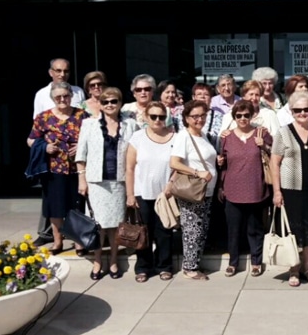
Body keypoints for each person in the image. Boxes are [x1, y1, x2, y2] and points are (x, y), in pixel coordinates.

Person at [76, 87, 139, 280]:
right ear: (100, 105)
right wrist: (82, 179)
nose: (110, 105)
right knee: (98, 225)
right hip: (96, 182)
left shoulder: (130, 124)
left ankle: (112, 260)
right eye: (106, 102)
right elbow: (81, 154)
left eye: (114, 101)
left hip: (119, 181)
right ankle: (97, 260)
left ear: (120, 103)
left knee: (115, 226)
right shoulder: (89, 124)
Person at [270, 90, 308, 287]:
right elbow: (274, 163)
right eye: (298, 110)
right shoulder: (283, 132)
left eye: (306, 109)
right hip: (290, 192)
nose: (302, 113)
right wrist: (277, 191)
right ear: (291, 111)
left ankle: (307, 267)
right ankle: (293, 269)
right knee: (293, 233)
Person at [27, 82, 88, 255]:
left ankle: (78, 242)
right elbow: (30, 140)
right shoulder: (43, 117)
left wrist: (82, 147)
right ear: (53, 98)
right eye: (58, 97)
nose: (63, 99)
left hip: (78, 169)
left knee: (76, 206)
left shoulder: (82, 116)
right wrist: (44, 147)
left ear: (71, 96)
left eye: (66, 96)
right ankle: (57, 241)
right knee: (55, 207)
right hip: (53, 169)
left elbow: (94, 138)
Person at [219, 100, 273, 277]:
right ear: (234, 117)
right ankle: (233, 262)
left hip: (256, 188)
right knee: (233, 229)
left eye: (246, 115)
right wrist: (221, 185)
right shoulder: (226, 137)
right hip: (232, 189)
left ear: (252, 116)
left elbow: (276, 154)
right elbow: (223, 163)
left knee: (255, 229)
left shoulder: (261, 133)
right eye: (239, 115)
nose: (242, 118)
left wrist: (263, 145)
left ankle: (256, 261)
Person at [126, 101, 176, 283]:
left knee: (164, 232)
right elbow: (129, 168)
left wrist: (171, 184)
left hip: (165, 194)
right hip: (142, 192)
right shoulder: (137, 138)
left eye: (161, 117)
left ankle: (164, 266)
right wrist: (130, 194)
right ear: (146, 117)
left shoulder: (174, 137)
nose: (157, 120)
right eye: (153, 116)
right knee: (143, 233)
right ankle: (143, 267)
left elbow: (179, 165)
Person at [170, 100, 219, 281]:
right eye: (195, 116)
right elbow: (174, 162)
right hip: (193, 191)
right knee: (192, 230)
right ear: (186, 118)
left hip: (207, 191)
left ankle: (195, 262)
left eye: (202, 115)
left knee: (201, 228)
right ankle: (189, 268)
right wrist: (197, 172)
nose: (199, 119)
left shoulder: (203, 135)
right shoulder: (184, 136)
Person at [190, 83, 223, 148]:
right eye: (199, 94)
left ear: (211, 98)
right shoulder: (185, 115)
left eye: (206, 94)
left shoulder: (219, 116)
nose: (203, 96)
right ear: (193, 97)